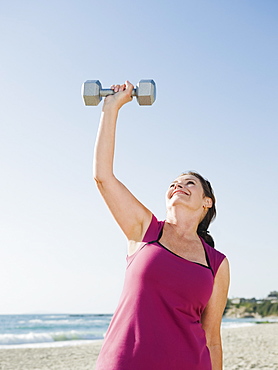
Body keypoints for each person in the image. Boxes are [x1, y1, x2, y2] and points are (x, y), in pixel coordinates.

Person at [93, 81, 230, 370]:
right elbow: (103, 176)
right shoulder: (145, 230)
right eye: (173, 184)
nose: (178, 185)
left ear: (207, 202)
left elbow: (211, 337)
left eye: (189, 183)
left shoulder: (216, 262)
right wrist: (111, 109)